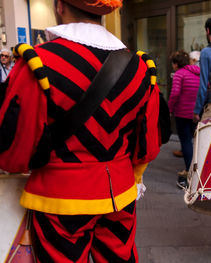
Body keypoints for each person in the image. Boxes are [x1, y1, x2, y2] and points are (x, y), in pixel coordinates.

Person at [0, 0, 160, 262]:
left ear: (59, 6)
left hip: (59, 198)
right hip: (119, 194)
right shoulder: (141, 67)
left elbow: (14, 151)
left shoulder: (38, 62)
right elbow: (148, 143)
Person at [168, 50, 200, 189]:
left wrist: (169, 109)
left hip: (182, 113)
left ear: (176, 64)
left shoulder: (179, 74)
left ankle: (189, 172)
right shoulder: (197, 72)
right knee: (195, 142)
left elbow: (175, 93)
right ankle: (198, 170)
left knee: (186, 142)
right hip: (196, 113)